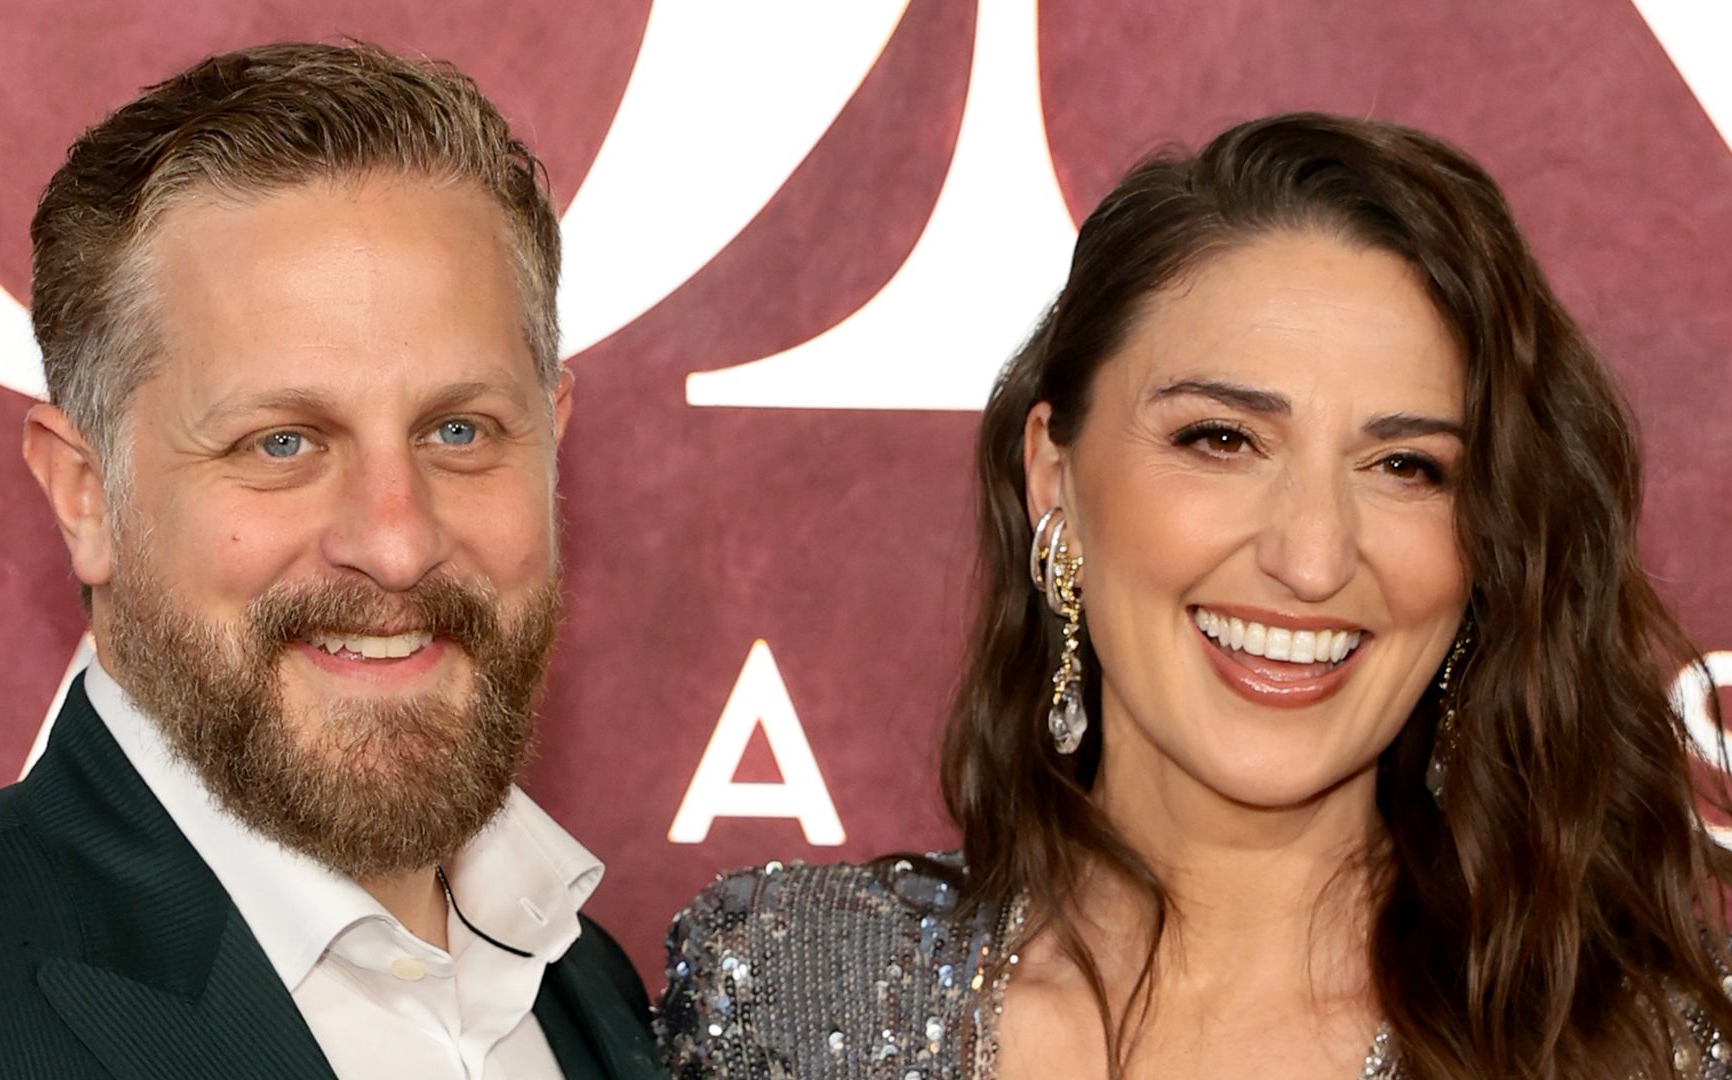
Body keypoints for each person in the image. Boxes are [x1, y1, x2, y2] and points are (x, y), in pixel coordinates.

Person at [659, 113, 1732, 1078]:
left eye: (1407, 466)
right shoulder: (785, 997)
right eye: (1221, 440)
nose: (1311, 559)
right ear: (1055, 474)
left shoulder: (1647, 1048)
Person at [0, 42, 662, 1080]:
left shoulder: (590, 990)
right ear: (87, 496)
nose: (395, 542)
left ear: (554, 438)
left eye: (460, 432)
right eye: (282, 444)